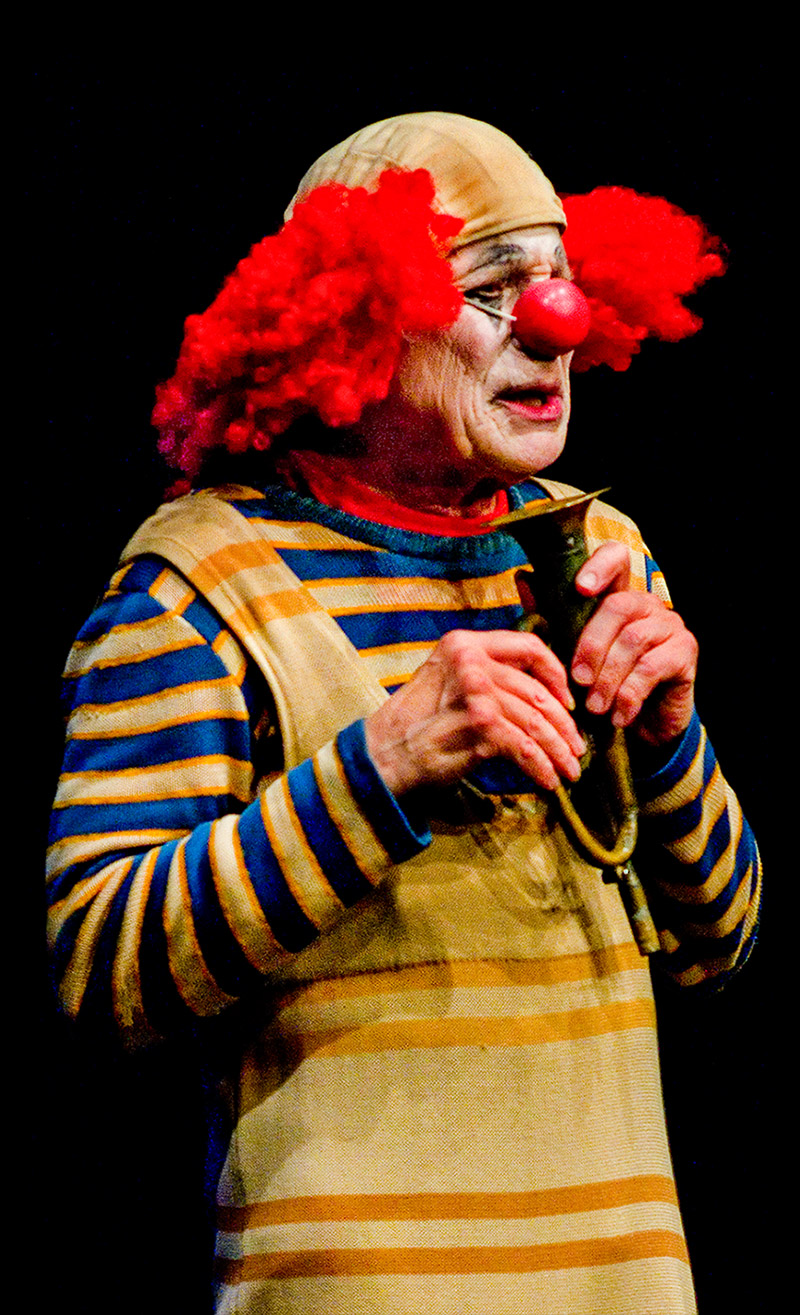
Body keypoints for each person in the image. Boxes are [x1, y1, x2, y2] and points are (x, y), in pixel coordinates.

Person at [47, 112, 760, 1314]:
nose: (554, 321)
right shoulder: (200, 583)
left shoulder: (598, 550)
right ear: (358, 320)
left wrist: (664, 742)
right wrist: (375, 771)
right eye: (494, 284)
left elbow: (718, 944)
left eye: (561, 278)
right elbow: (101, 970)